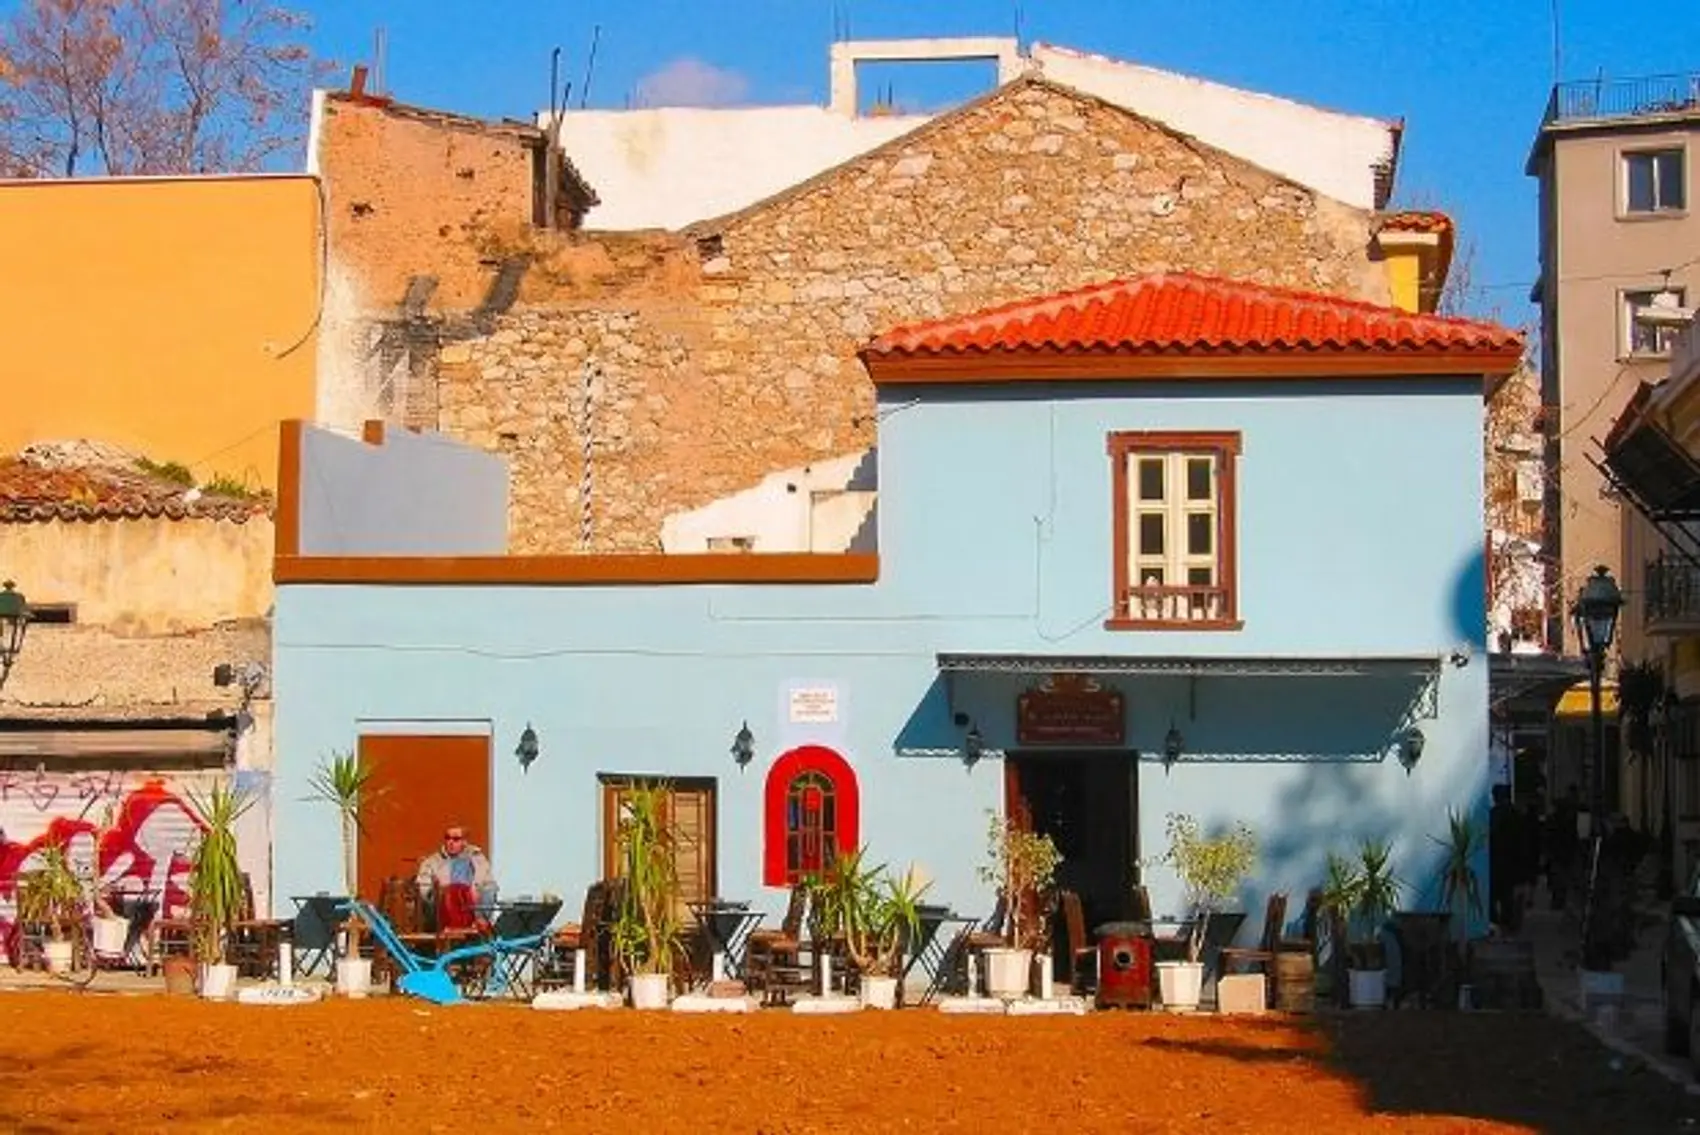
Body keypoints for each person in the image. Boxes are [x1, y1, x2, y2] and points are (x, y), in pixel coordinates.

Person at [416, 825, 496, 931]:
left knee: (489, 888)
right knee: (453, 891)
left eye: (456, 839)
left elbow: (488, 886)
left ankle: (481, 922)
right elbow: (424, 890)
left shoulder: (478, 859)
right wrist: (441, 891)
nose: (450, 842)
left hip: (474, 913)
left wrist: (482, 915)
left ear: (465, 841)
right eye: (447, 838)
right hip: (442, 915)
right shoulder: (431, 862)